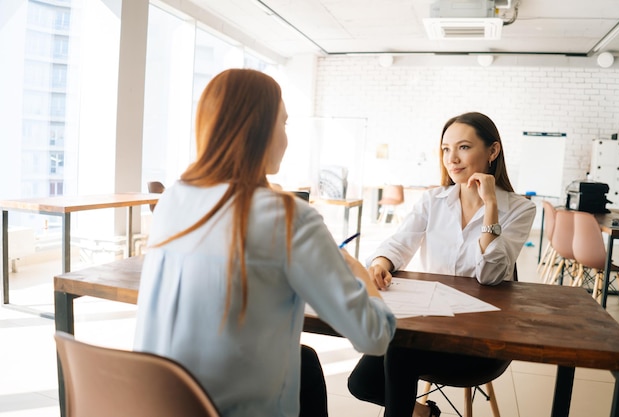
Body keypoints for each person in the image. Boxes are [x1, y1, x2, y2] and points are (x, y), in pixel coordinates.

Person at [132, 68, 396, 417]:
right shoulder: (289, 217)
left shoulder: (173, 199)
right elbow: (373, 337)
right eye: (283, 124)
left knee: (304, 360)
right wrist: (357, 269)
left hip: (159, 403)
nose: (287, 139)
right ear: (258, 128)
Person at [347, 112, 536, 417]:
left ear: (493, 151)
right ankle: (422, 413)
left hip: (481, 339)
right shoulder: (432, 200)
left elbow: (489, 276)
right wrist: (381, 262)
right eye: (446, 149)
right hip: (429, 324)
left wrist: (490, 207)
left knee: (398, 353)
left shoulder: (520, 209)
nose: (452, 159)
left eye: (463, 147)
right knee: (361, 382)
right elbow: (400, 241)